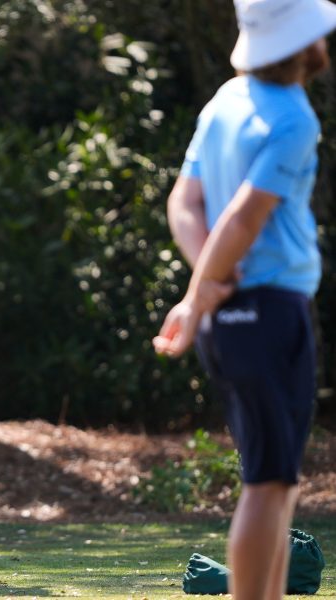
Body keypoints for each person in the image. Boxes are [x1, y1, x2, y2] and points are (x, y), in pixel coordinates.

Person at [153, 1, 336, 598]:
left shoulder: (225, 101)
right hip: (268, 313)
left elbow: (184, 203)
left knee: (278, 481)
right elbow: (242, 218)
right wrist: (200, 292)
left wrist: (207, 282)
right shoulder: (295, 117)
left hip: (240, 315)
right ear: (302, 43)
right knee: (267, 483)